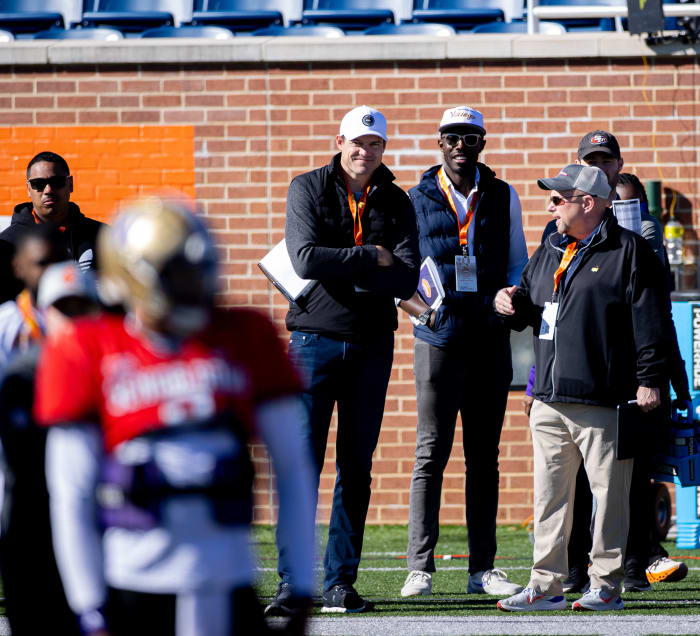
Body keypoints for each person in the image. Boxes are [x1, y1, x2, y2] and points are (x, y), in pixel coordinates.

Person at [34, 196, 316, 636]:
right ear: (133, 275)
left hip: (229, 580)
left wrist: (300, 584)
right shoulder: (88, 348)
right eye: (176, 272)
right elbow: (71, 491)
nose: (193, 284)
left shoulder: (245, 335)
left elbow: (293, 468)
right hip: (134, 585)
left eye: (197, 268)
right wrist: (89, 605)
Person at [266, 105, 420, 615]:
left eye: (375, 144)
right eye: (357, 142)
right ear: (340, 140)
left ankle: (339, 584)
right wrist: (370, 256)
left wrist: (360, 262)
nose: (365, 151)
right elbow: (304, 257)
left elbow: (405, 278)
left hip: (373, 343)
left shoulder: (397, 200)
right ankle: (293, 585)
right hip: (313, 341)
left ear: (383, 149)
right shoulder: (307, 187)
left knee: (356, 467)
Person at [494, 164, 669, 612]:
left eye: (558, 199)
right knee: (549, 496)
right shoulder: (550, 246)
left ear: (586, 203)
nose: (550, 206)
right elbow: (533, 308)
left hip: (604, 398)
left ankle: (606, 584)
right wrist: (507, 304)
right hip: (550, 398)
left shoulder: (630, 251)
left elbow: (650, 323)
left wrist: (650, 380)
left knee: (610, 497)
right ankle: (545, 584)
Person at [396, 106, 527, 599]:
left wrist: (510, 294)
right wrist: (418, 311)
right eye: (451, 137)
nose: (459, 146)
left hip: (489, 339)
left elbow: (518, 261)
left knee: (483, 458)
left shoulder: (502, 194)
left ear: (482, 144)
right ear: (439, 143)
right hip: (438, 339)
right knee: (431, 452)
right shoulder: (415, 197)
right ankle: (420, 567)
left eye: (469, 138)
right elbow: (403, 272)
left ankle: (483, 569)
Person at [0, 261, 99, 636]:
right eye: (63, 307)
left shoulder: (114, 365)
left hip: (96, 521)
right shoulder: (22, 374)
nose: (73, 318)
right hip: (31, 517)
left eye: (81, 306)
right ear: (45, 311)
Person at [0, 151, 105, 302]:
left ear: (70, 184)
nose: (48, 190)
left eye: (56, 182)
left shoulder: (102, 237)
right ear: (28, 189)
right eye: (38, 184)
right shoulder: (7, 245)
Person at [0, 224, 67, 368]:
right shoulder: (5, 324)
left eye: (60, 261)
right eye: (42, 263)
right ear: (18, 267)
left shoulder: (87, 319)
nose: (52, 270)